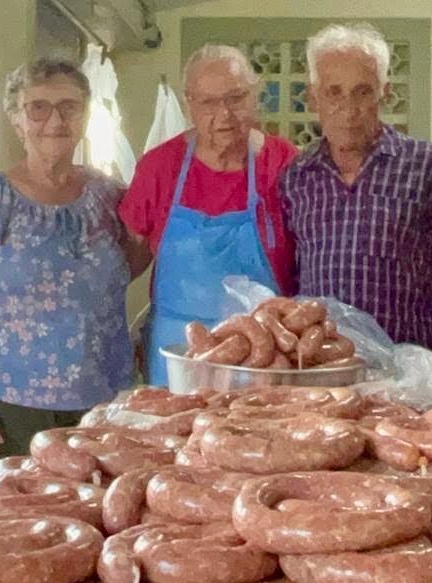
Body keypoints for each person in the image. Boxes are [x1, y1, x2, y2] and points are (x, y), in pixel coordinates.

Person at [0, 58, 150, 464]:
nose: (55, 119)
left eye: (69, 106)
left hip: (106, 399)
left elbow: (130, 264)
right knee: (27, 516)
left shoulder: (109, 195)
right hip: (17, 405)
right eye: (38, 107)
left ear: (85, 116)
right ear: (17, 119)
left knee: (105, 516)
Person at [280, 23, 432, 353]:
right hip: (323, 366)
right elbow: (292, 278)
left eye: (363, 91)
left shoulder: (424, 164)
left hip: (407, 365)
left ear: (384, 91)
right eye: (334, 92)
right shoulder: (296, 177)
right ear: (313, 97)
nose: (349, 109)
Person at [120, 45, 301, 386]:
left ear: (255, 96)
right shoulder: (159, 168)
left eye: (236, 98)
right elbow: (127, 261)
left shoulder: (285, 164)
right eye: (208, 102)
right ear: (189, 103)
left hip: (265, 359)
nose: (224, 115)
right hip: (179, 354)